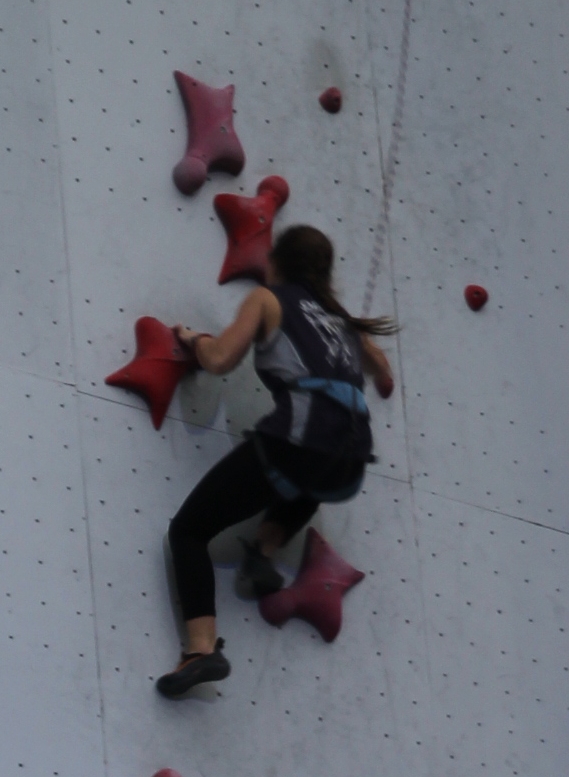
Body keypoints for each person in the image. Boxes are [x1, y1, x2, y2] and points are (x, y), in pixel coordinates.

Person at [155, 225, 396, 697]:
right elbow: (380, 365)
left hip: (297, 441)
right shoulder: (341, 320)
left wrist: (193, 338)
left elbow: (222, 359)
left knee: (189, 531)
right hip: (350, 461)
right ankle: (263, 552)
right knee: (306, 482)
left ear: (276, 262)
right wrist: (376, 377)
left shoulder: (269, 299)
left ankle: (201, 649)